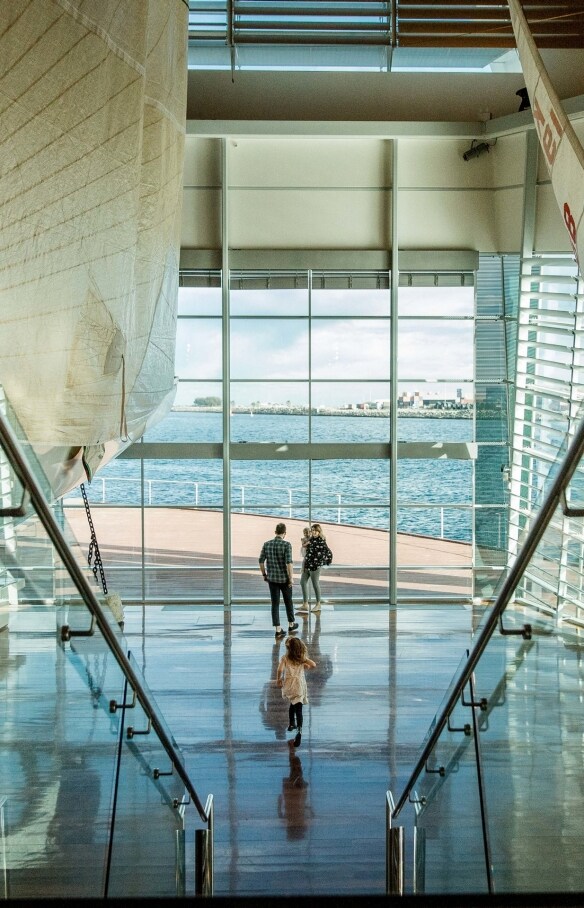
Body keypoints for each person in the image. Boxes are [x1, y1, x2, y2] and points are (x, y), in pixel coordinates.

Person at [259, 522, 298, 639]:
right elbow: (289, 563)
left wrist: (264, 574)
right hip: (285, 579)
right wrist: (291, 578)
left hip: (272, 579)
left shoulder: (267, 544)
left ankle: (278, 629)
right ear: (284, 533)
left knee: (275, 604)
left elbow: (261, 561)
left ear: (275, 532)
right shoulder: (287, 545)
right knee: (288, 601)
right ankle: (291, 624)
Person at [276, 635, 316, 748]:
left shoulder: (285, 658)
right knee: (299, 708)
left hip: (289, 686)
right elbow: (313, 664)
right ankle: (299, 730)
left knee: (292, 704)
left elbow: (280, 669)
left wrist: (278, 679)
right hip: (298, 687)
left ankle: (291, 723)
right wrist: (305, 663)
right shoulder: (301, 658)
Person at [298, 523, 329, 613]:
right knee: (302, 582)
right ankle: (305, 604)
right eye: (312, 531)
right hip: (307, 564)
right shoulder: (311, 539)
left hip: (315, 566)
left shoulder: (321, 541)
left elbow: (326, 552)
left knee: (315, 584)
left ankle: (318, 604)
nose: (314, 532)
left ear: (319, 531)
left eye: (315, 531)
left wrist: (321, 562)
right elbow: (305, 548)